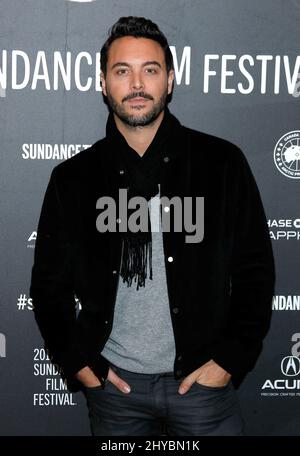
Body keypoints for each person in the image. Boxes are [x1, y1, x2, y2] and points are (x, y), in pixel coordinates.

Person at [30, 16, 275, 436]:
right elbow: (49, 287)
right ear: (104, 83)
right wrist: (80, 363)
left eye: (151, 70)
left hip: (203, 387)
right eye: (123, 71)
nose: (137, 84)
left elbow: (254, 272)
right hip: (115, 392)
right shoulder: (74, 178)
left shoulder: (221, 164)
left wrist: (228, 361)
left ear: (170, 80)